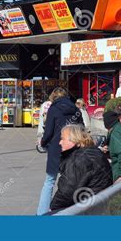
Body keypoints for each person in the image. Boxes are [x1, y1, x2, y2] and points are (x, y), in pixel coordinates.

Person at [37, 87, 83, 215]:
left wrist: (43, 142)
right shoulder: (76, 109)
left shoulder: (53, 109)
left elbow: (49, 131)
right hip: (73, 149)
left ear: (54, 97)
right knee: (71, 181)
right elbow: (82, 129)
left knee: (50, 181)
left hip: (56, 148)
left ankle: (42, 213)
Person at [49, 124, 112, 212]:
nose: (60, 142)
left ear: (75, 140)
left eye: (63, 139)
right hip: (97, 203)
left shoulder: (80, 159)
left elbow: (67, 192)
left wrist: (52, 208)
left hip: (88, 208)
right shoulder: (92, 151)